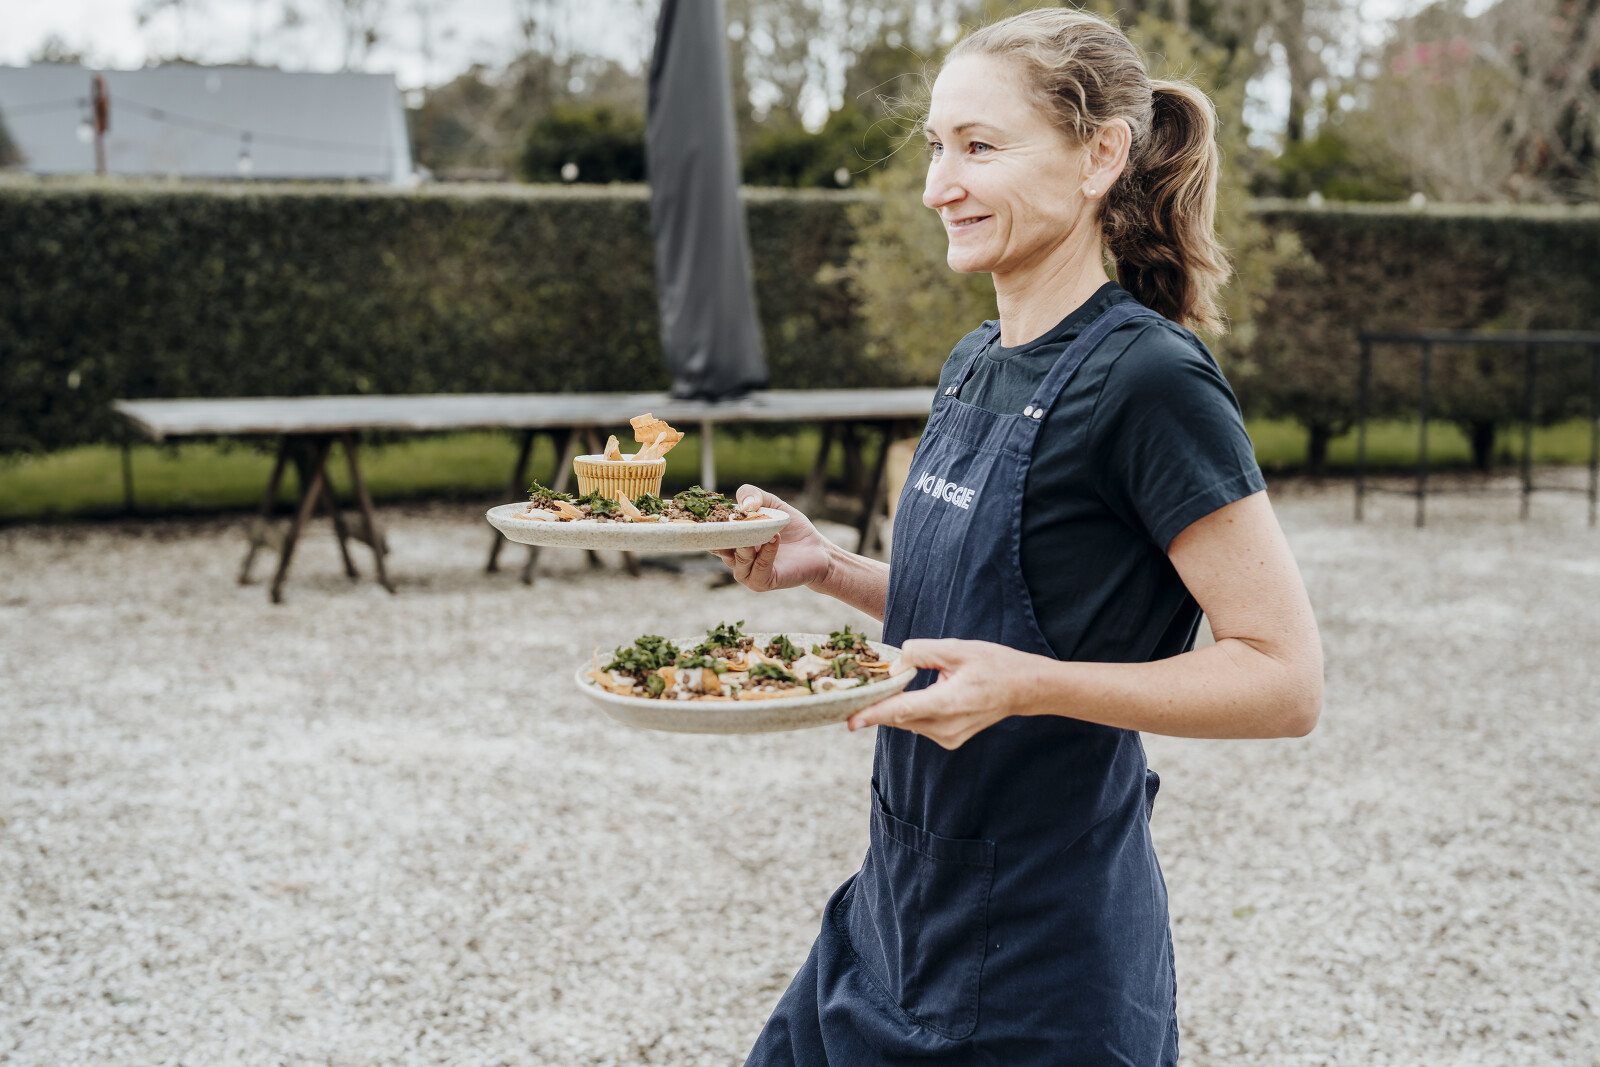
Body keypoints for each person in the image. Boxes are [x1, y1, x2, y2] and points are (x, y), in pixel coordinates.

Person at [713, 8, 1323, 1065]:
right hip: (899, 906)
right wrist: (833, 568)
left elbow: (1285, 680)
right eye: (936, 146)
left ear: (1100, 156)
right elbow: (989, 607)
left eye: (979, 147)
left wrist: (1033, 686)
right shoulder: (974, 360)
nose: (937, 185)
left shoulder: (1152, 381)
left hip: (1044, 961)